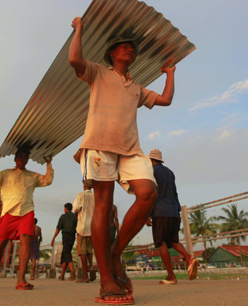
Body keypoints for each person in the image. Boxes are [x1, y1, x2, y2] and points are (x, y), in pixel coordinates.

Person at [68, 16, 176, 305]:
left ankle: (116, 253)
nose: (129, 49)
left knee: (147, 193)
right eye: (123, 46)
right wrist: (79, 29)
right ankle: (106, 280)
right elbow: (75, 59)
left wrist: (170, 72)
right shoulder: (98, 73)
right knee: (103, 205)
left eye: (132, 47)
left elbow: (165, 100)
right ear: (112, 54)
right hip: (100, 145)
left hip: (130, 149)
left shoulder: (137, 87)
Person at [0, 149, 54, 290]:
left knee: (26, 239)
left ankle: (21, 279)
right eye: (20, 156)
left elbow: (47, 180)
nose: (22, 158)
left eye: (25, 156)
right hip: (8, 213)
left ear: (28, 159)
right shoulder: (5, 173)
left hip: (26, 211)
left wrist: (49, 164)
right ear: (15, 158)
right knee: (0, 245)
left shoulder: (32, 176)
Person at [146, 149, 198, 284]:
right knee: (173, 240)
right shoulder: (170, 172)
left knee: (161, 242)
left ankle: (171, 276)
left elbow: (151, 193)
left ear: (151, 160)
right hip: (173, 210)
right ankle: (189, 258)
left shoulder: (152, 172)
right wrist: (178, 211)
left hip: (160, 211)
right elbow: (175, 192)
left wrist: (148, 214)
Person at [73, 184, 95, 283]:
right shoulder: (95, 196)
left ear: (84, 186)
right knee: (89, 250)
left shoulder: (80, 195)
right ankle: (91, 266)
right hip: (92, 226)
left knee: (82, 252)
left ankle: (85, 275)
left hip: (82, 226)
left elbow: (76, 208)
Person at [51, 202, 77, 281]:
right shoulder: (74, 217)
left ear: (65, 208)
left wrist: (53, 238)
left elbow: (58, 228)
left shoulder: (63, 216)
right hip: (72, 236)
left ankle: (73, 272)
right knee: (65, 253)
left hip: (65, 236)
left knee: (66, 253)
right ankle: (62, 275)